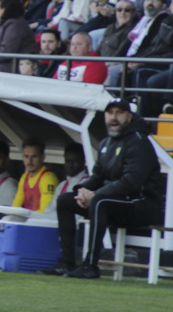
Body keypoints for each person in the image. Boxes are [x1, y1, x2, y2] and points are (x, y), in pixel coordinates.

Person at [47, 98, 163, 279]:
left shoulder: (139, 142)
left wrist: (95, 195)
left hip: (142, 205)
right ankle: (66, 262)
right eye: (110, 113)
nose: (114, 118)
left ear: (129, 116)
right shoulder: (106, 143)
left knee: (100, 201)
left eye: (119, 113)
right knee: (65, 201)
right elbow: (98, 176)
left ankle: (91, 265)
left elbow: (131, 183)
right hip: (116, 201)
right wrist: (81, 190)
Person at [10, 136, 58, 214]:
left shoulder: (48, 178)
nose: (29, 161)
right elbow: (15, 207)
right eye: (26, 156)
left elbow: (45, 212)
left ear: (42, 157)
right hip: (29, 222)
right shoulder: (24, 177)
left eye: (34, 156)